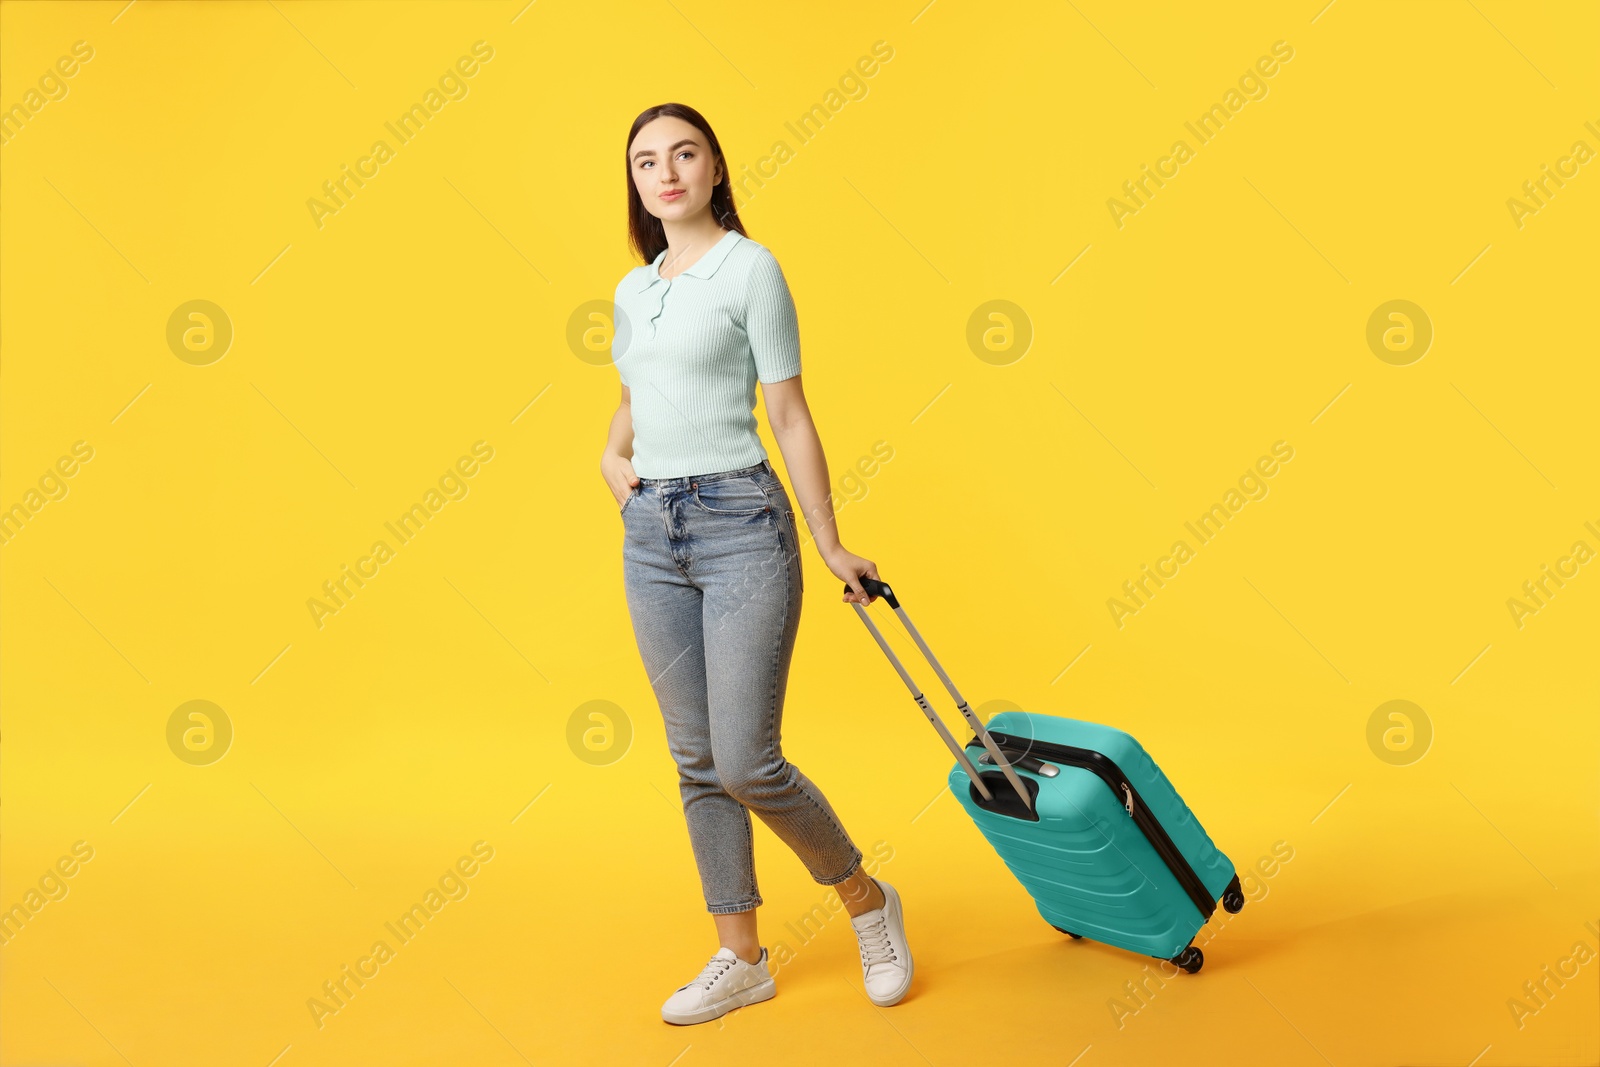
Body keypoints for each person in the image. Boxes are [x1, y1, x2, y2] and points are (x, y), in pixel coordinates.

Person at [601, 102, 913, 1025]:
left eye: (684, 153)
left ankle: (866, 900)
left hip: (742, 521)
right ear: (637, 182)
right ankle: (742, 956)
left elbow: (788, 416)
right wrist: (610, 455)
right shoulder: (634, 287)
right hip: (651, 532)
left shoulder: (752, 269)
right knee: (696, 758)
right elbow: (635, 390)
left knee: (745, 757)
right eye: (647, 160)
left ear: (714, 168)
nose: (666, 172)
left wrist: (828, 540)